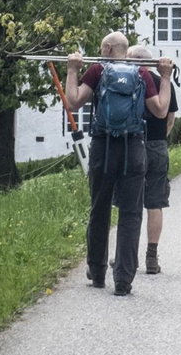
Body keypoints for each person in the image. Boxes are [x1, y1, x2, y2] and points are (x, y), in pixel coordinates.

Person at [65, 32, 172, 296]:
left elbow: (74, 101)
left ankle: (97, 272)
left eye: (102, 47)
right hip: (133, 147)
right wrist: (165, 77)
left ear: (108, 48)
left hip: (103, 147)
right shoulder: (142, 74)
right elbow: (160, 110)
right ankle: (123, 279)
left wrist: (72, 70)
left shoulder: (97, 70)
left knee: (99, 209)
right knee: (131, 213)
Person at [130, 45, 180, 274]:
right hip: (157, 145)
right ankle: (151, 257)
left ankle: (127, 255)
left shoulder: (126, 81)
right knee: (155, 202)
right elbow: (170, 118)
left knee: (129, 202)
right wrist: (160, 139)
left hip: (131, 145)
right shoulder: (163, 82)